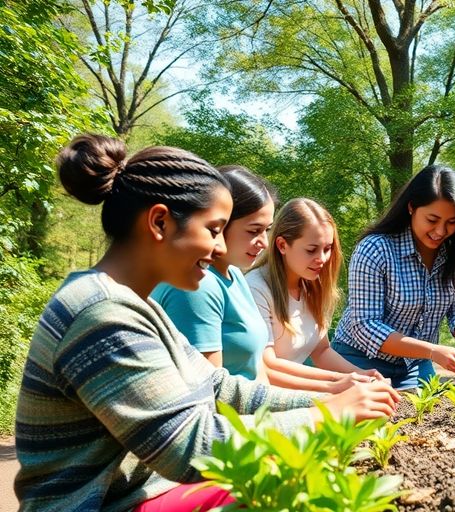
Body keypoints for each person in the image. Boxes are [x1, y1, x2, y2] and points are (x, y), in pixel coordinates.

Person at [15, 135, 399, 512]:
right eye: (214, 230)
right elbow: (190, 447)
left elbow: (219, 386)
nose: (219, 248)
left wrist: (331, 401)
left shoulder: (132, 304)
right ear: (160, 222)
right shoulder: (100, 314)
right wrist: (328, 415)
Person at [154, 167, 377, 393]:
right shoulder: (199, 286)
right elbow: (211, 393)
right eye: (254, 231)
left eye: (266, 230)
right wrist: (330, 395)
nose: (264, 242)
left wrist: (355, 379)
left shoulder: (236, 278)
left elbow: (259, 371)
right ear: (219, 225)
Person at [332, 165, 455, 389]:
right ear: (411, 207)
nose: (441, 231)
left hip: (416, 367)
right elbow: (365, 325)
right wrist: (432, 351)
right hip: (357, 361)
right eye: (432, 220)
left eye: (452, 222)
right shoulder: (375, 249)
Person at [246, 197, 374, 386]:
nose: (322, 259)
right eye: (311, 250)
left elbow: (321, 351)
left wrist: (363, 375)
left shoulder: (312, 286)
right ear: (282, 245)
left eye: (327, 249)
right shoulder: (256, 288)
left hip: (298, 394)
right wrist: (339, 382)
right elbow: (268, 364)